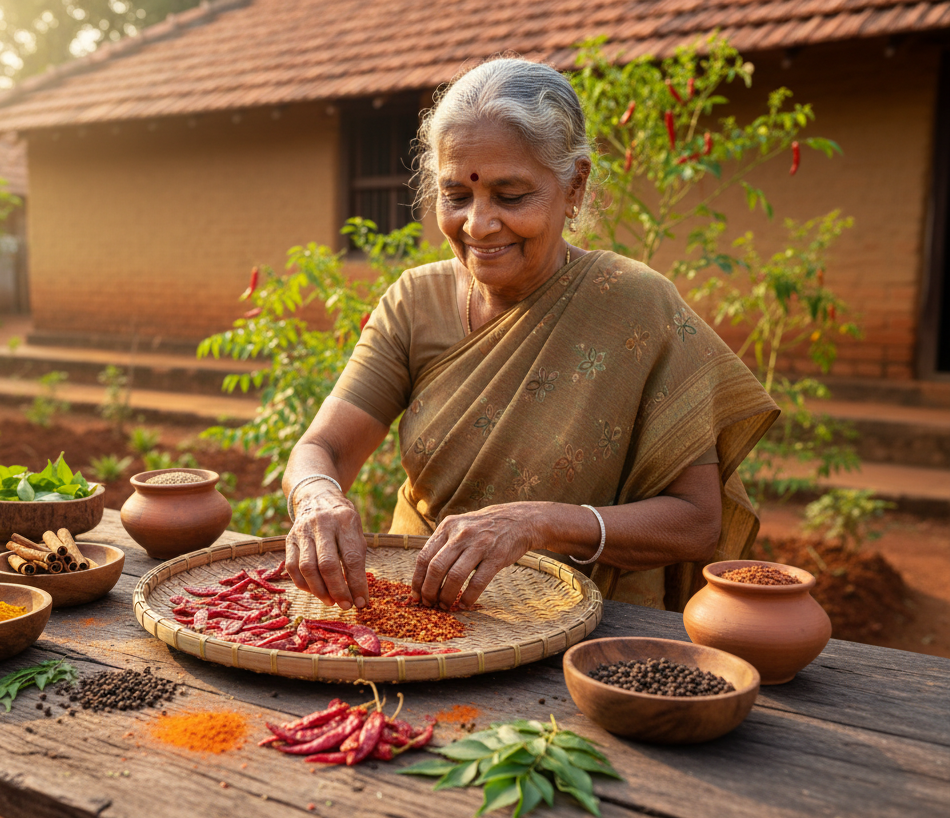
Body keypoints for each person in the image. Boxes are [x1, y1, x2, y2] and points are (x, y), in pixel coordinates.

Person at [281, 57, 779, 613]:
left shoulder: (638, 308)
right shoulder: (414, 302)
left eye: (511, 196)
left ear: (575, 187)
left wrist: (538, 523)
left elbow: (697, 522)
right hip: (424, 612)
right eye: (457, 196)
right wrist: (316, 498)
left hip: (591, 625)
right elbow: (321, 448)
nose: (478, 224)